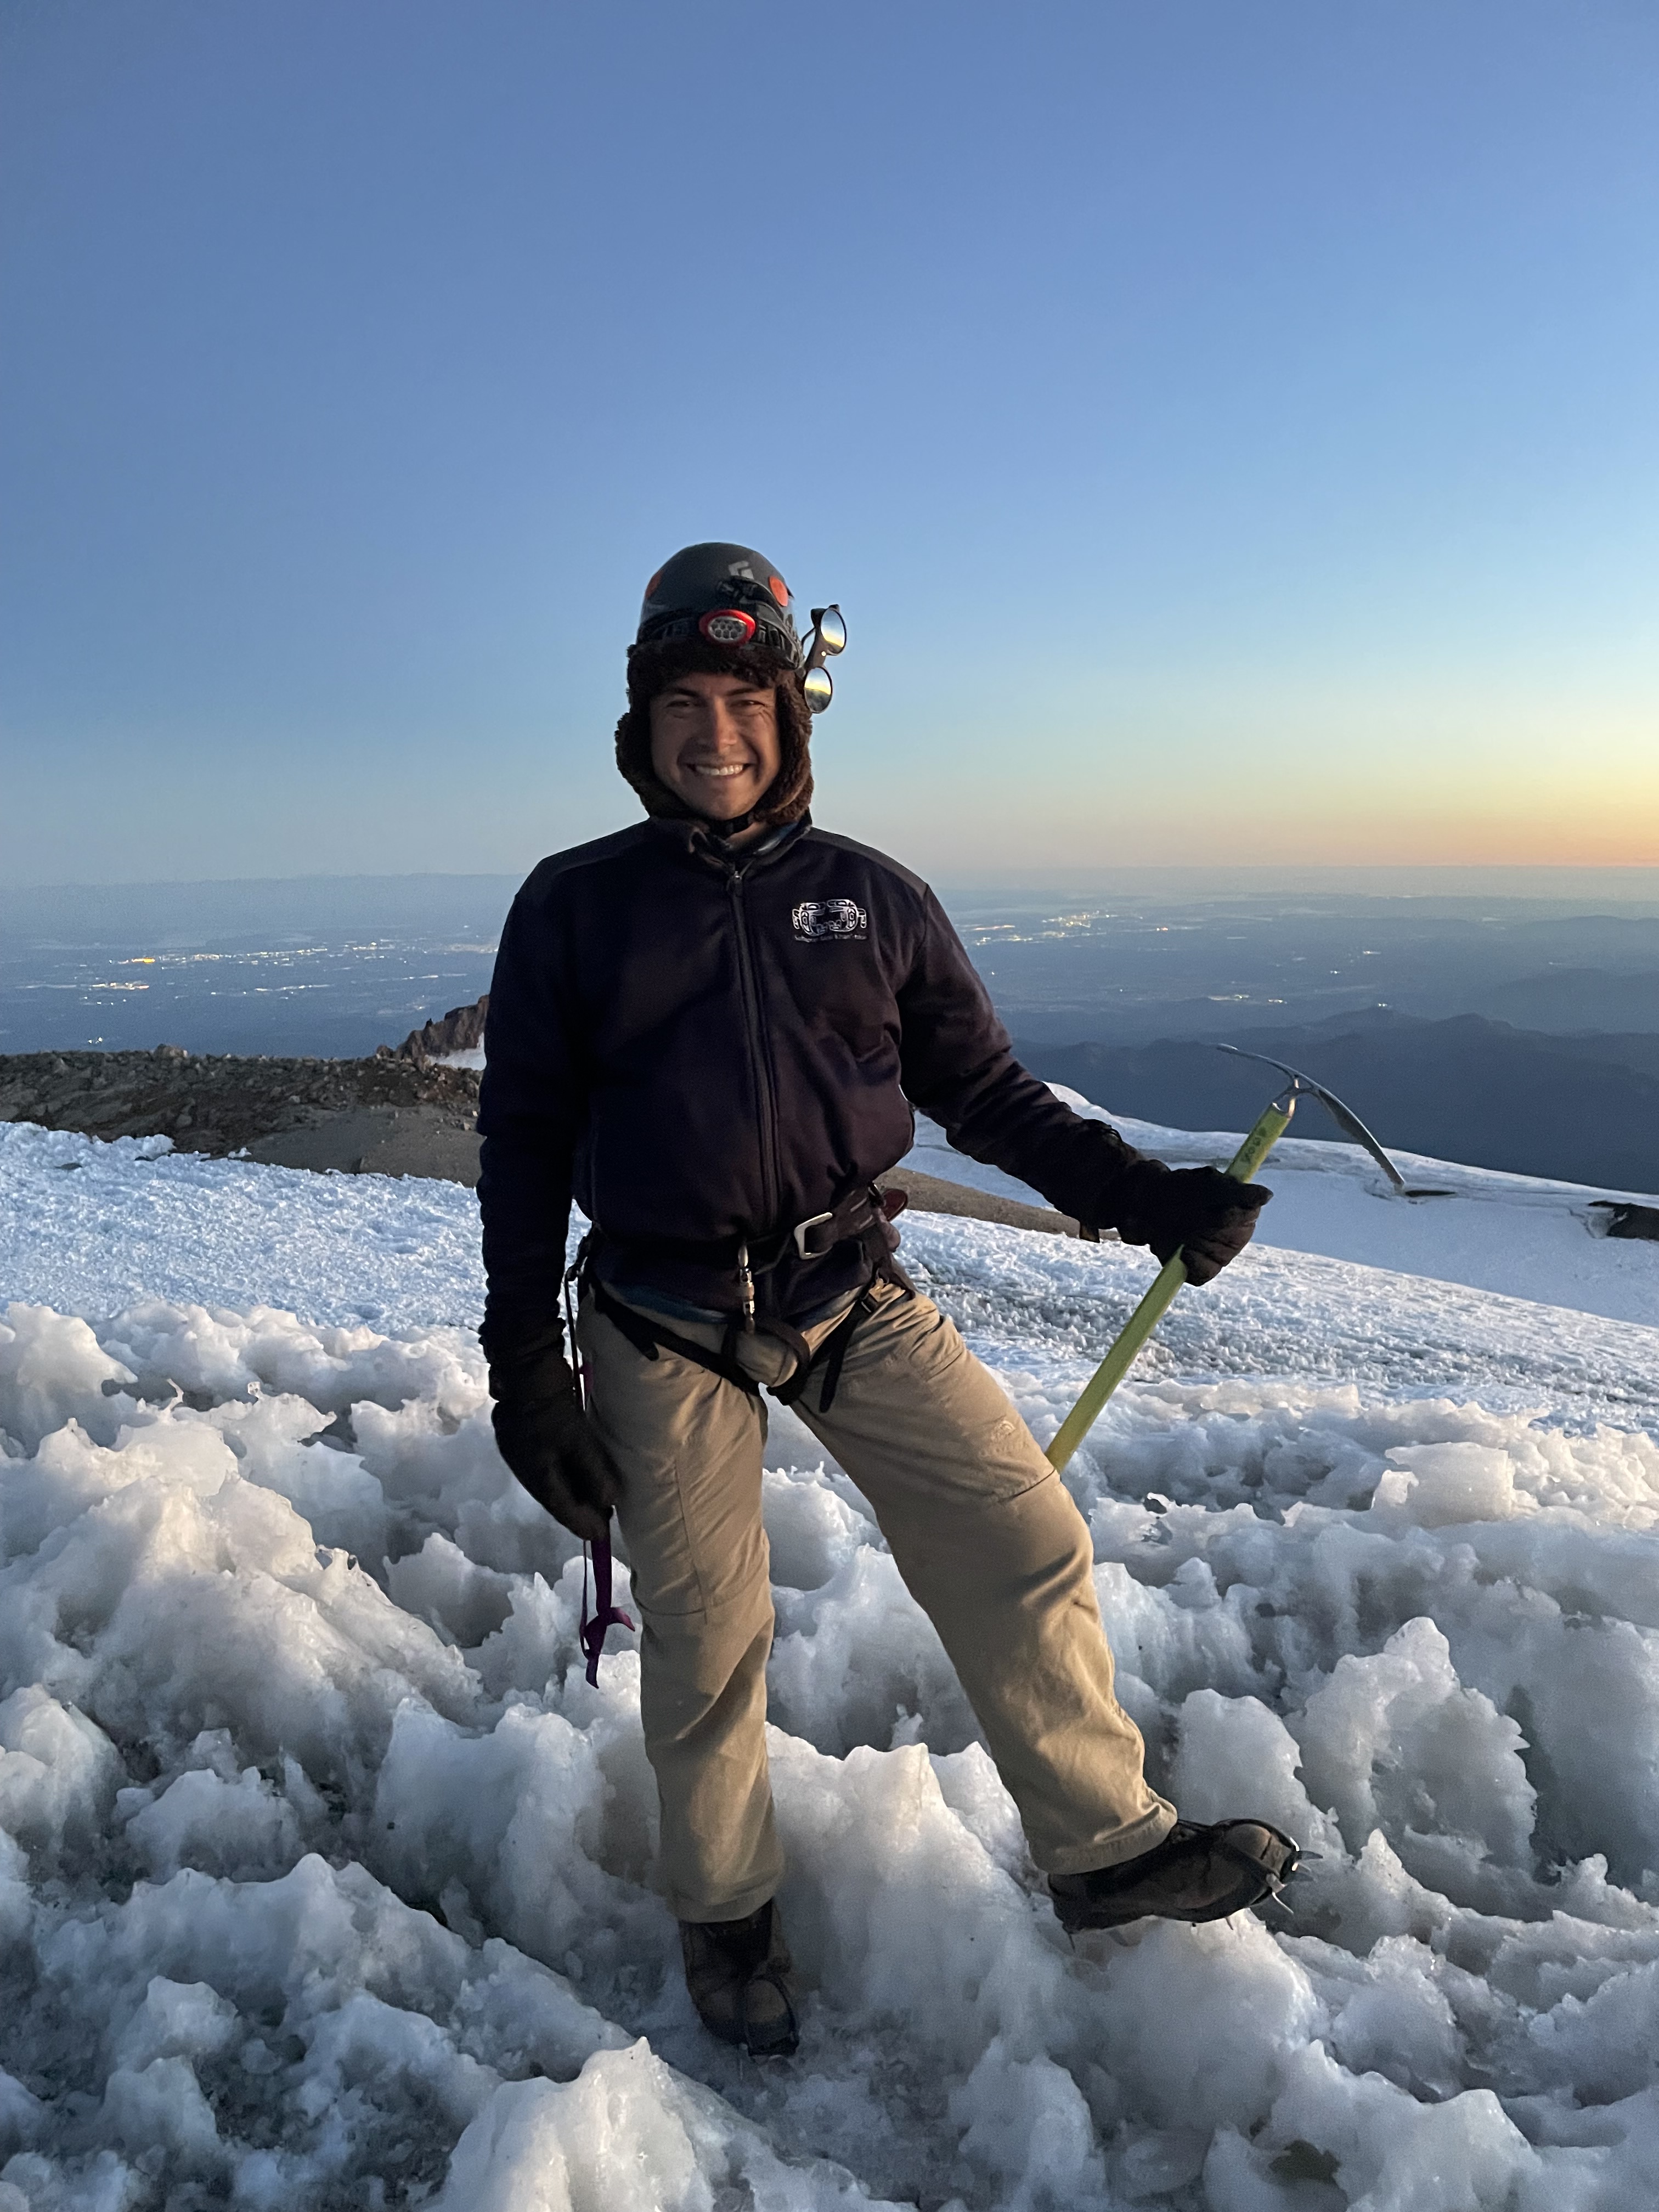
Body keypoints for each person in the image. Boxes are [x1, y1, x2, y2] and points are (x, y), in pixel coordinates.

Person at [477, 543, 1295, 2057]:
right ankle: (728, 1913)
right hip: (660, 1308)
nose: (716, 733)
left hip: (847, 1281)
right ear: (642, 723)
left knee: (1021, 1536)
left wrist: (1146, 1198)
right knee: (708, 1632)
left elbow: (984, 1092)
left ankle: (1104, 1849)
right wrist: (525, 1366)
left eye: (746, 702)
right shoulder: (577, 908)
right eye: (684, 704)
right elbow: (522, 1142)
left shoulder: (871, 899)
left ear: (791, 718)